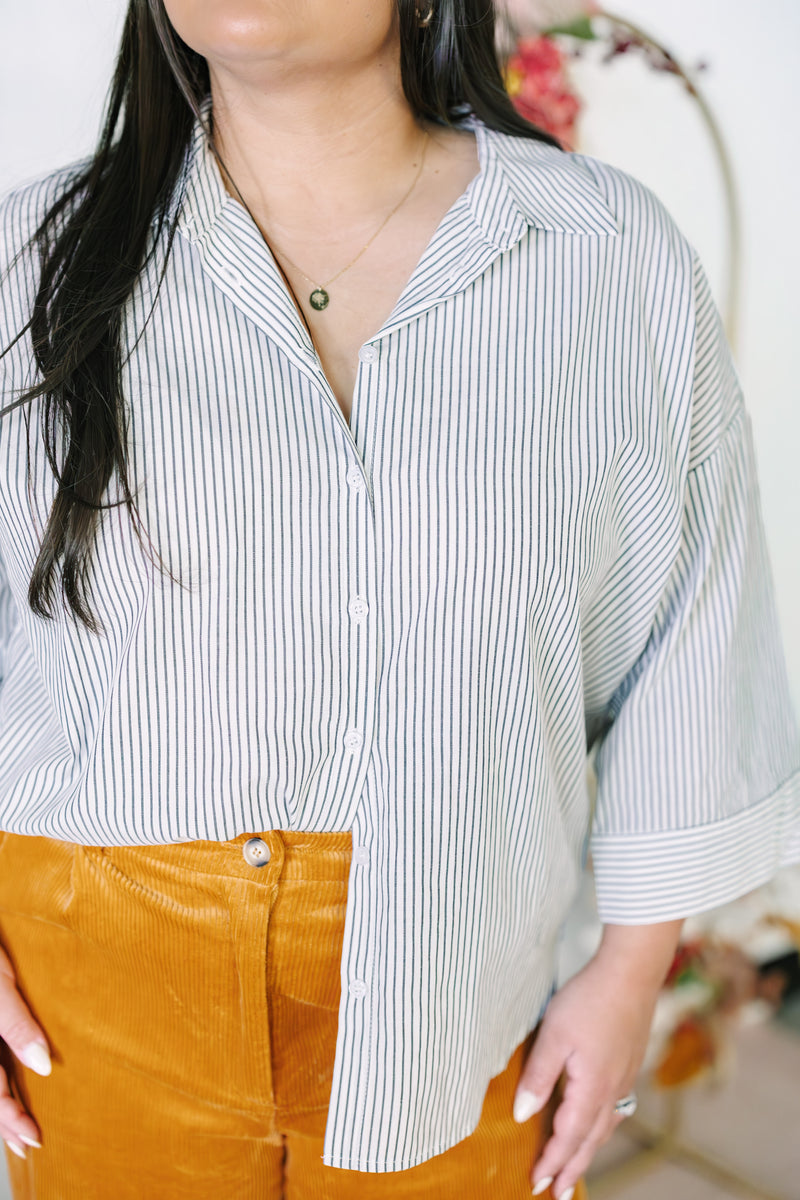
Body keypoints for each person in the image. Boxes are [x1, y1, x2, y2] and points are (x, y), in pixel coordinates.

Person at [0, 1, 797, 1197]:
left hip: (461, 993)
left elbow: (691, 634)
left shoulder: (603, 256)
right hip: (88, 994)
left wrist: (628, 977)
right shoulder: (34, 255)